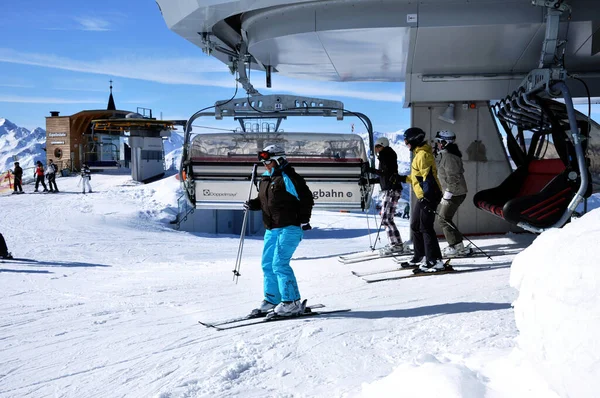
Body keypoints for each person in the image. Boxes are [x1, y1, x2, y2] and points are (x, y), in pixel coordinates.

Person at [245, 144, 314, 317]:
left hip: (289, 227)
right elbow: (264, 201)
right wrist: (253, 204)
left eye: (269, 162)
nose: (266, 165)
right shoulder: (266, 178)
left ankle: (291, 302)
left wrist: (304, 220)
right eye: (263, 163)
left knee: (279, 264)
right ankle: (273, 299)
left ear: (279, 160)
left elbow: (306, 198)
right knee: (267, 264)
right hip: (271, 228)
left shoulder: (290, 178)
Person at [401, 127, 445, 272]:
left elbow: (428, 178)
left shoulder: (423, 155)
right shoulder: (418, 154)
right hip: (424, 196)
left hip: (430, 195)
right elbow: (417, 178)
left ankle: (434, 260)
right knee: (415, 225)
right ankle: (420, 256)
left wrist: (428, 197)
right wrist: (400, 178)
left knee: (426, 227)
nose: (406, 144)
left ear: (414, 140)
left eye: (407, 141)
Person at [364, 136, 407, 255]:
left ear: (383, 145)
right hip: (391, 189)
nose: (376, 149)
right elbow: (384, 177)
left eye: (378, 146)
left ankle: (395, 244)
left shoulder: (386, 156)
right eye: (376, 147)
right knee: (387, 218)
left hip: (391, 190)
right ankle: (397, 243)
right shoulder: (386, 156)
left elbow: (386, 174)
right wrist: (370, 180)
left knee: (385, 218)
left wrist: (371, 170)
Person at [434, 130, 471, 257]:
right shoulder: (445, 155)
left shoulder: (448, 157)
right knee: (445, 218)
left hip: (455, 193)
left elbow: (453, 177)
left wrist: (447, 194)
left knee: (443, 219)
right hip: (453, 192)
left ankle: (455, 246)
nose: (437, 144)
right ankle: (458, 245)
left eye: (439, 141)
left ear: (445, 142)